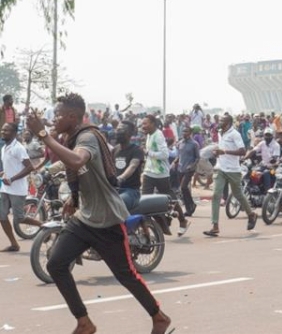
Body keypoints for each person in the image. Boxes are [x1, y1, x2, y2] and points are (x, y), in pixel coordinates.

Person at [25, 93, 172, 334]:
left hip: (106, 220)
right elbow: (71, 165)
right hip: (85, 218)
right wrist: (67, 190)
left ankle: (159, 317)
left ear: (73, 117)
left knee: (126, 275)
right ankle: (84, 322)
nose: (54, 119)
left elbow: (77, 160)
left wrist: (43, 135)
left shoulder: (88, 137)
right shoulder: (72, 137)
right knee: (56, 264)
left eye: (58, 114)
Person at [203, 114, 258, 237]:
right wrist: (217, 152)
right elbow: (222, 148)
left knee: (238, 194)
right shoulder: (221, 133)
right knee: (216, 195)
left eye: (222, 120)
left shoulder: (235, 134)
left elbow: (242, 151)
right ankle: (215, 226)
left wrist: (224, 151)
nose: (219, 121)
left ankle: (251, 214)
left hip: (233, 170)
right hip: (220, 168)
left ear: (228, 123)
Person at [141, 114, 190, 236]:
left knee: (170, 199)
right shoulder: (149, 135)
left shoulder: (158, 135)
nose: (143, 126)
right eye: (142, 124)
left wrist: (148, 152)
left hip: (161, 174)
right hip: (149, 172)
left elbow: (164, 155)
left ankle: (182, 220)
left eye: (145, 123)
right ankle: (148, 228)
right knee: (144, 201)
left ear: (153, 123)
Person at [0, 122, 39, 251]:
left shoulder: (18, 148)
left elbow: (29, 167)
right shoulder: (4, 147)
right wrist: (4, 174)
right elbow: (10, 166)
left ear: (14, 133)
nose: (3, 132)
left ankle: (43, 225)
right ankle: (14, 244)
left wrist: (12, 179)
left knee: (20, 218)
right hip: (5, 188)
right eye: (2, 130)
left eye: (6, 130)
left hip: (17, 189)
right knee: (2, 215)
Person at [112, 121, 143, 212]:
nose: (117, 132)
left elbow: (133, 166)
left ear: (129, 133)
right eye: (117, 130)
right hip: (115, 189)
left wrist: (121, 178)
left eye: (121, 130)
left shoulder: (136, 150)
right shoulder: (115, 149)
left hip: (131, 191)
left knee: (117, 204)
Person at [172, 126, 200, 217]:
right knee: (183, 189)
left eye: (186, 131)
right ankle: (190, 208)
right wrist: (174, 163)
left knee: (184, 187)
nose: (184, 133)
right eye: (183, 131)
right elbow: (179, 156)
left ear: (190, 132)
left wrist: (192, 165)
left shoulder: (194, 144)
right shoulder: (180, 143)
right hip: (180, 168)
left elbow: (198, 158)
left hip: (189, 169)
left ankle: (191, 205)